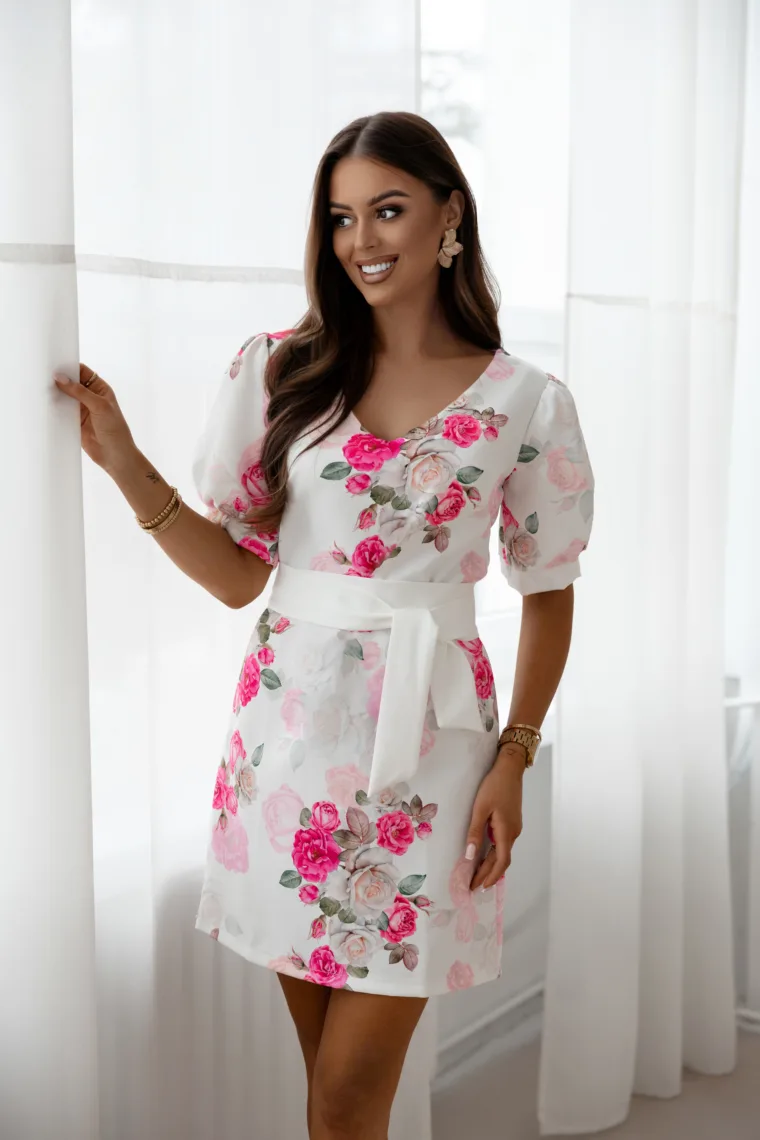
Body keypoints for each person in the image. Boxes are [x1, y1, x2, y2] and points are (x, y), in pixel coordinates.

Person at [54, 110, 594, 1140]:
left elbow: (550, 589)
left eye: (387, 210)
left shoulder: (525, 402)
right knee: (331, 1100)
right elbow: (236, 580)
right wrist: (123, 460)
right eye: (341, 218)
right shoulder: (282, 370)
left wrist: (515, 757)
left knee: (349, 1092)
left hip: (435, 758)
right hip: (288, 755)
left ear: (449, 215)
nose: (361, 241)